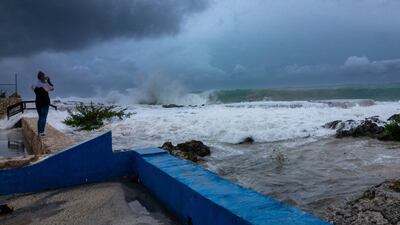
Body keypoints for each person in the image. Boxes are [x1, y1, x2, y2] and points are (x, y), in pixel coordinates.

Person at [32, 71, 54, 137]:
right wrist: (48, 81)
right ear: (42, 77)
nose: (45, 77)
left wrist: (43, 80)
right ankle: (41, 132)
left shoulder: (34, 85)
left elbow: (33, 88)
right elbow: (52, 88)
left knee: (40, 117)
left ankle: (39, 132)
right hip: (45, 103)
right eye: (44, 76)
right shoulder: (46, 85)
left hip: (38, 103)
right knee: (43, 117)